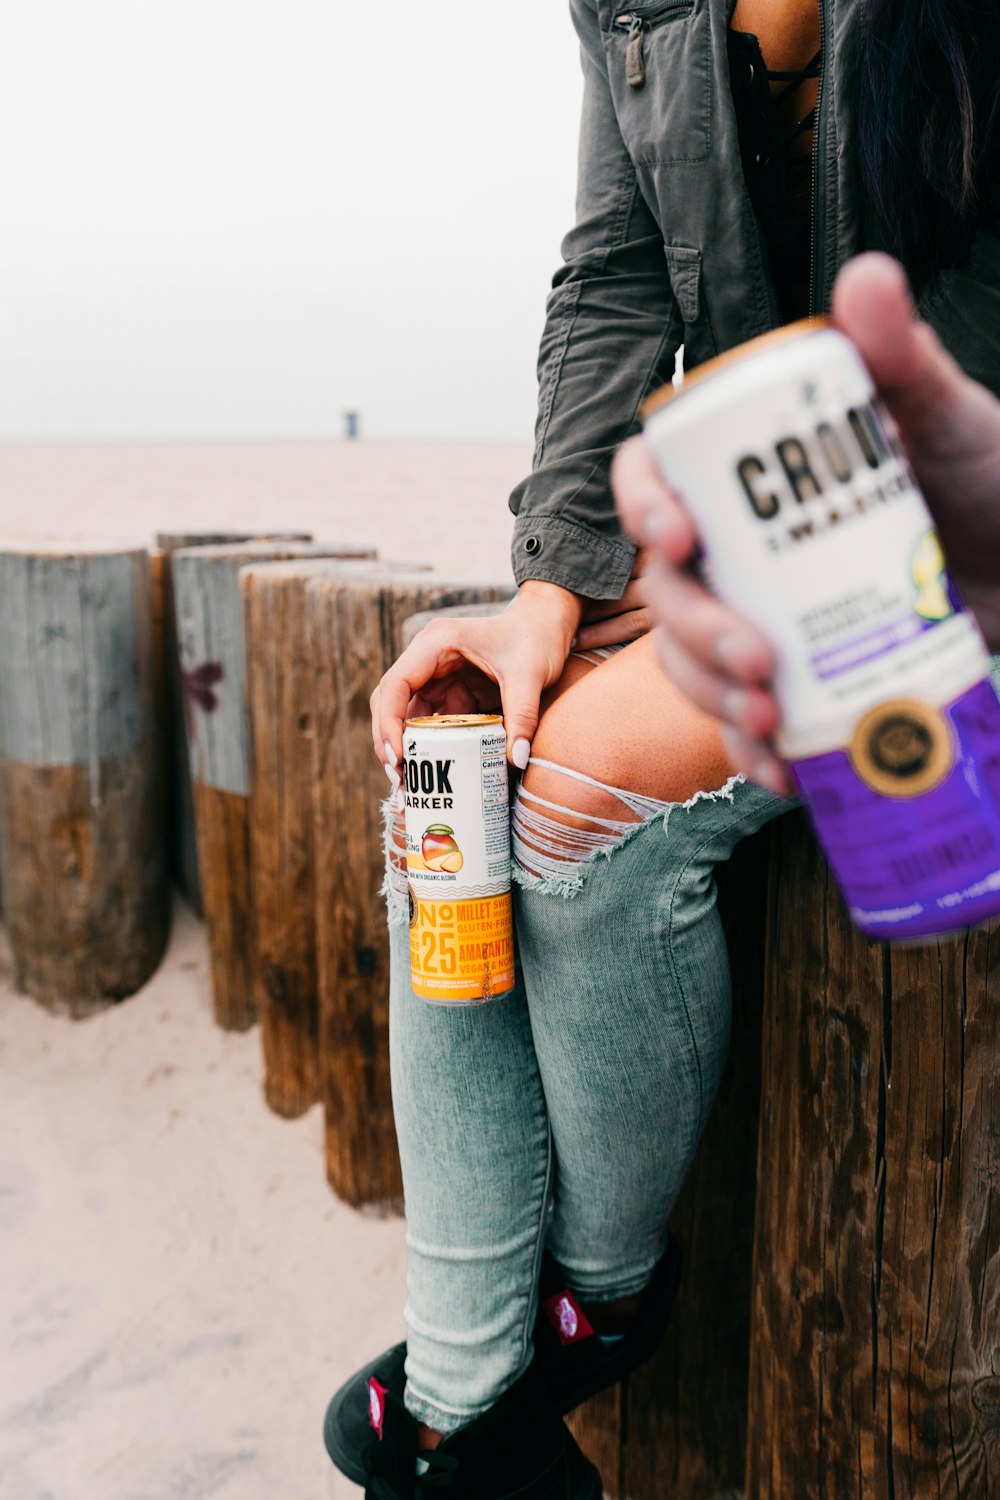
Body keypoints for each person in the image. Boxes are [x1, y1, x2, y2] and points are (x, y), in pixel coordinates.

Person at [324, 1, 1000, 1495]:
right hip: (783, 499)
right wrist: (552, 594)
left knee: (567, 802)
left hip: (952, 507)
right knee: (461, 775)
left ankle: (595, 1305)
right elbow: (615, 274)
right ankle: (470, 1390)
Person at [613, 250, 1000, 790]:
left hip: (930, 632)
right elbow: (609, 285)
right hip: (823, 633)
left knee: (577, 788)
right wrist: (553, 584)